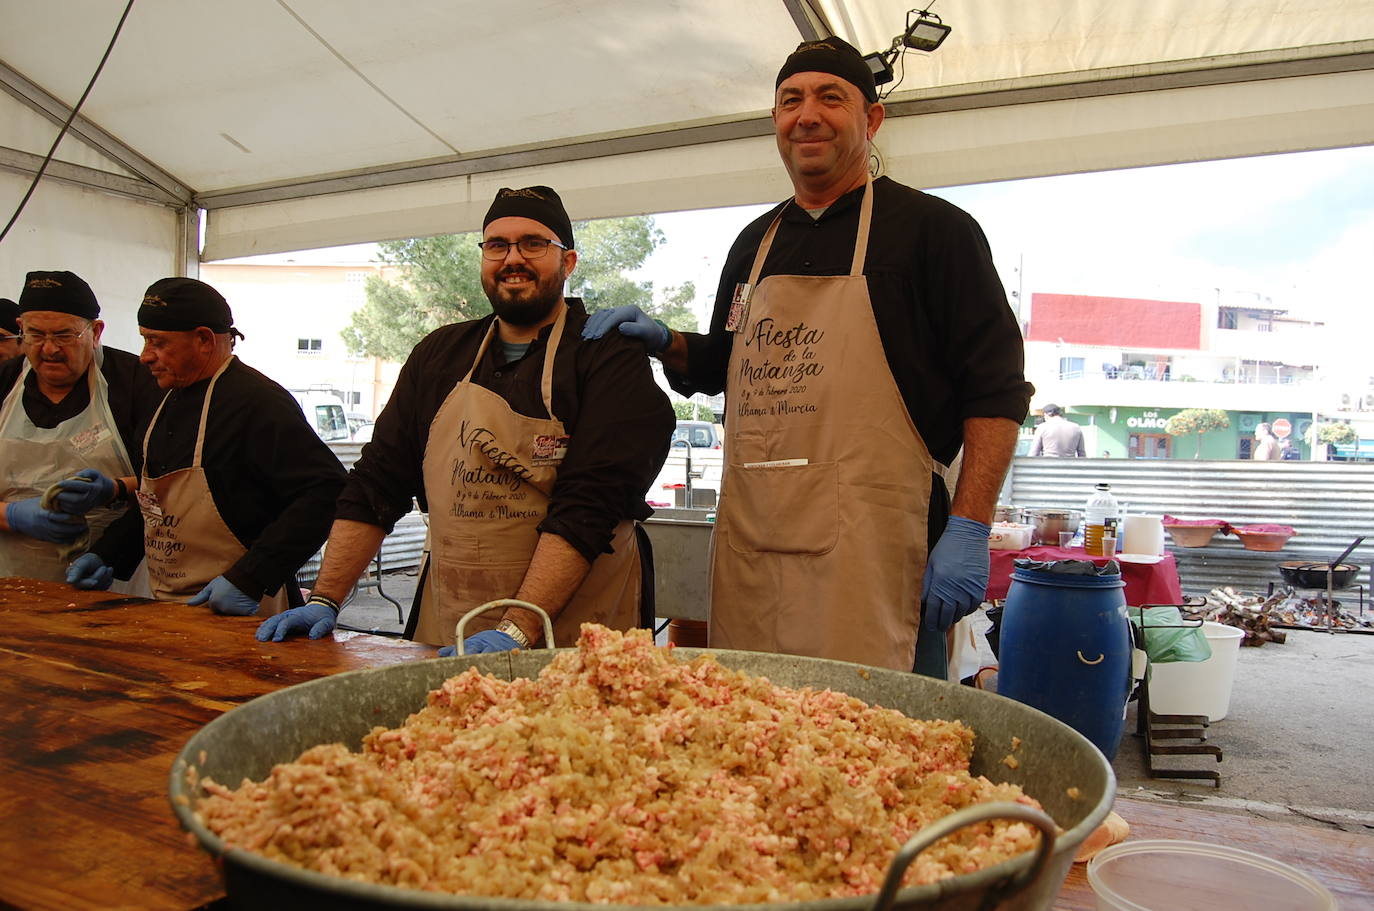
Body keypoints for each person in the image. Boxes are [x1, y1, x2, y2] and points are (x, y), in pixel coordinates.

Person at [582, 38, 1032, 673]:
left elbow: (997, 390)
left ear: (872, 119)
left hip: (879, 553)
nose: (808, 115)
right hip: (757, 549)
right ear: (775, 123)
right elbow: (725, 366)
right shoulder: (753, 245)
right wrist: (668, 342)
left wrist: (971, 526)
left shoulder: (936, 233)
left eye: (831, 97)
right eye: (791, 100)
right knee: (760, 743)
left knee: (879, 745)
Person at [257, 186, 674, 652]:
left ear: (568, 261)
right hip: (452, 615)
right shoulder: (439, 354)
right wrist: (325, 599)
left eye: (534, 243)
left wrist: (517, 628)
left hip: (576, 626)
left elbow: (592, 501)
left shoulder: (606, 353)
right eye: (497, 245)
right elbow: (378, 481)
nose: (513, 257)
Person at [65, 278, 347, 616]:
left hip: (247, 609)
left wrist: (250, 577)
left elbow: (325, 492)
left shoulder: (258, 403)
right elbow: (157, 505)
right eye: (144, 340)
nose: (144, 357)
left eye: (158, 342)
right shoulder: (162, 401)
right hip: (167, 601)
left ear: (203, 340)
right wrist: (109, 552)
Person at [0, 271, 160, 582]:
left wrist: (109, 550)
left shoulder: (137, 383)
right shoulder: (3, 382)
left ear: (96, 331)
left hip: (110, 575)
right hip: (9, 580)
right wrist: (13, 516)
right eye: (36, 335)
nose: (49, 349)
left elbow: (165, 485)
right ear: (21, 330)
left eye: (64, 336)